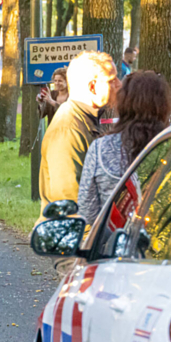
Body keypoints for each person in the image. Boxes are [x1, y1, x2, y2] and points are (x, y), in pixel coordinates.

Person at [78, 70, 171, 224]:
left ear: (123, 104)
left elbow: (87, 213)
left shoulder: (100, 149)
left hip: (114, 242)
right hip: (166, 244)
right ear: (163, 106)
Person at [38, 50, 115, 222]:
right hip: (78, 238)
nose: (118, 85)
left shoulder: (86, 119)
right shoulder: (68, 130)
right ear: (92, 86)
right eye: (112, 80)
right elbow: (70, 203)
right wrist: (88, 242)